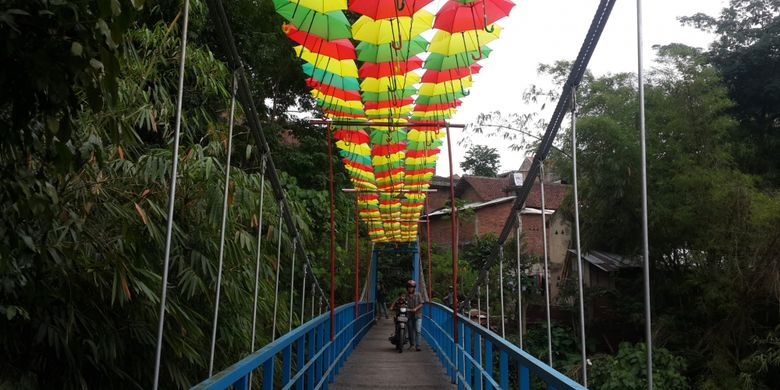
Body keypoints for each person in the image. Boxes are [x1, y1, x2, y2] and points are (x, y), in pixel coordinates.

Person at [405, 279, 424, 351]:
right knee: (410, 330)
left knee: (418, 330)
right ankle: (412, 345)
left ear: (414, 287)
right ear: (407, 288)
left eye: (412, 287)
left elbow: (421, 303)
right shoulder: (406, 295)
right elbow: (401, 301)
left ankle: (418, 345)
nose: (411, 288)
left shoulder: (418, 294)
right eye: (409, 287)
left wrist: (416, 308)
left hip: (418, 315)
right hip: (409, 315)